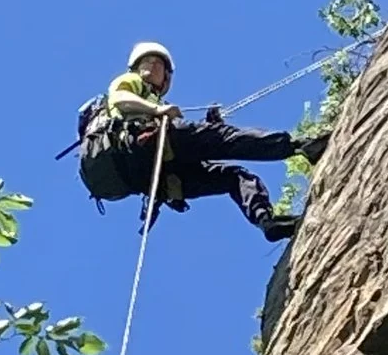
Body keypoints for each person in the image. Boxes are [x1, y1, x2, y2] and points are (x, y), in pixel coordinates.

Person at [75, 41, 317, 241]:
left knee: (234, 176)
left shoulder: (152, 101)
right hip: (144, 148)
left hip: (154, 174)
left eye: (158, 63)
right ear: (135, 67)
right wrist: (157, 110)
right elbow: (119, 99)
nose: (152, 64)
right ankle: (301, 146)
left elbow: (195, 144)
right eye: (147, 61)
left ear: (166, 79)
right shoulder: (133, 83)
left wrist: (210, 127)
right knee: (226, 139)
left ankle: (266, 221)